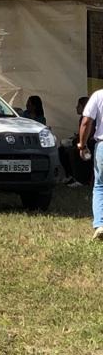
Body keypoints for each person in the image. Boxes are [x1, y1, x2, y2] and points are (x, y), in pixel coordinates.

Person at [77, 87, 103, 240]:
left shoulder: (98, 95)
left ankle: (100, 224)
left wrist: (82, 144)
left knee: (100, 186)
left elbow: (86, 122)